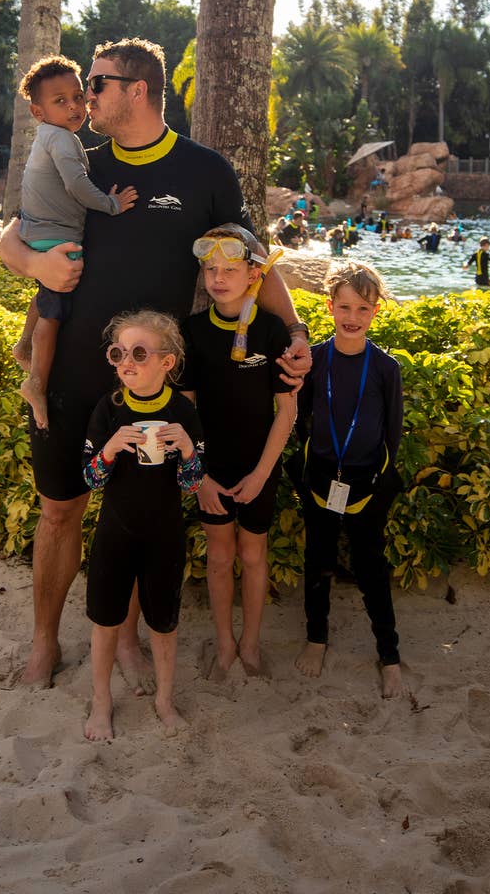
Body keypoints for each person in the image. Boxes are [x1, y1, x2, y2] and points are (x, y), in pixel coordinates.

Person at [0, 37, 311, 689]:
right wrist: (35, 264)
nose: (87, 93)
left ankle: (130, 640)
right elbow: (11, 233)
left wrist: (297, 327)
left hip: (150, 381)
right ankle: (44, 644)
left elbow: (252, 257)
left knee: (134, 510)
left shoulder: (204, 173)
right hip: (71, 373)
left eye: (98, 82)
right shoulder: (75, 157)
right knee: (60, 511)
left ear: (136, 90)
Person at [180, 225, 297, 680]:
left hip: (258, 466)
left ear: (255, 275)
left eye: (230, 269)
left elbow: (285, 412)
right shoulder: (192, 332)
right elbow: (186, 414)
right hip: (212, 467)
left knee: (252, 555)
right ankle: (225, 642)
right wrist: (199, 477)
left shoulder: (272, 333)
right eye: (210, 270)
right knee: (220, 556)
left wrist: (262, 475)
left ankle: (250, 641)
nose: (218, 278)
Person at [82, 310, 203, 739]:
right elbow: (90, 478)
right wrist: (110, 449)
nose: (126, 363)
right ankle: (101, 701)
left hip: (164, 534)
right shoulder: (108, 409)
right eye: (118, 353)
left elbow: (192, 484)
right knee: (106, 619)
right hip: (116, 530)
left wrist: (188, 450)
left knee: (164, 623)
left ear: (167, 362)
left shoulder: (181, 411)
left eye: (138, 352)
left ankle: (165, 700)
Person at [288, 260, 405, 698]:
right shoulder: (314, 359)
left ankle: (389, 654)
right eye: (345, 307)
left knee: (371, 567)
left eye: (363, 309)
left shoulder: (385, 368)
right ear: (330, 306)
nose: (352, 318)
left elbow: (392, 433)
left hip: (366, 483)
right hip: (320, 476)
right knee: (317, 560)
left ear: (376, 311)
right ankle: (316, 638)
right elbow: (299, 420)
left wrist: (380, 484)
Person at [11, 55, 138, 430]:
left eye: (77, 97)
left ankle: (21, 343)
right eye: (59, 101)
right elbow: (77, 185)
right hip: (57, 238)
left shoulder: (48, 137)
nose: (74, 107)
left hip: (38, 231)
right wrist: (112, 204)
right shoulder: (63, 140)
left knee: (46, 292)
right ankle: (35, 381)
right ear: (38, 111)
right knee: (54, 311)